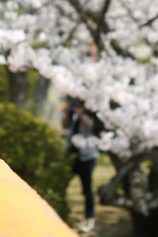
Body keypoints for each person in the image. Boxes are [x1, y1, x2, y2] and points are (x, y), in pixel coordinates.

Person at [64, 98, 101, 234]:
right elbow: (64, 125)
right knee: (63, 182)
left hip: (87, 157)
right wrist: (68, 112)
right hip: (72, 155)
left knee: (87, 189)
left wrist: (80, 114)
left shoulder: (91, 115)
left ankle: (89, 217)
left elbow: (88, 125)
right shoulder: (73, 116)